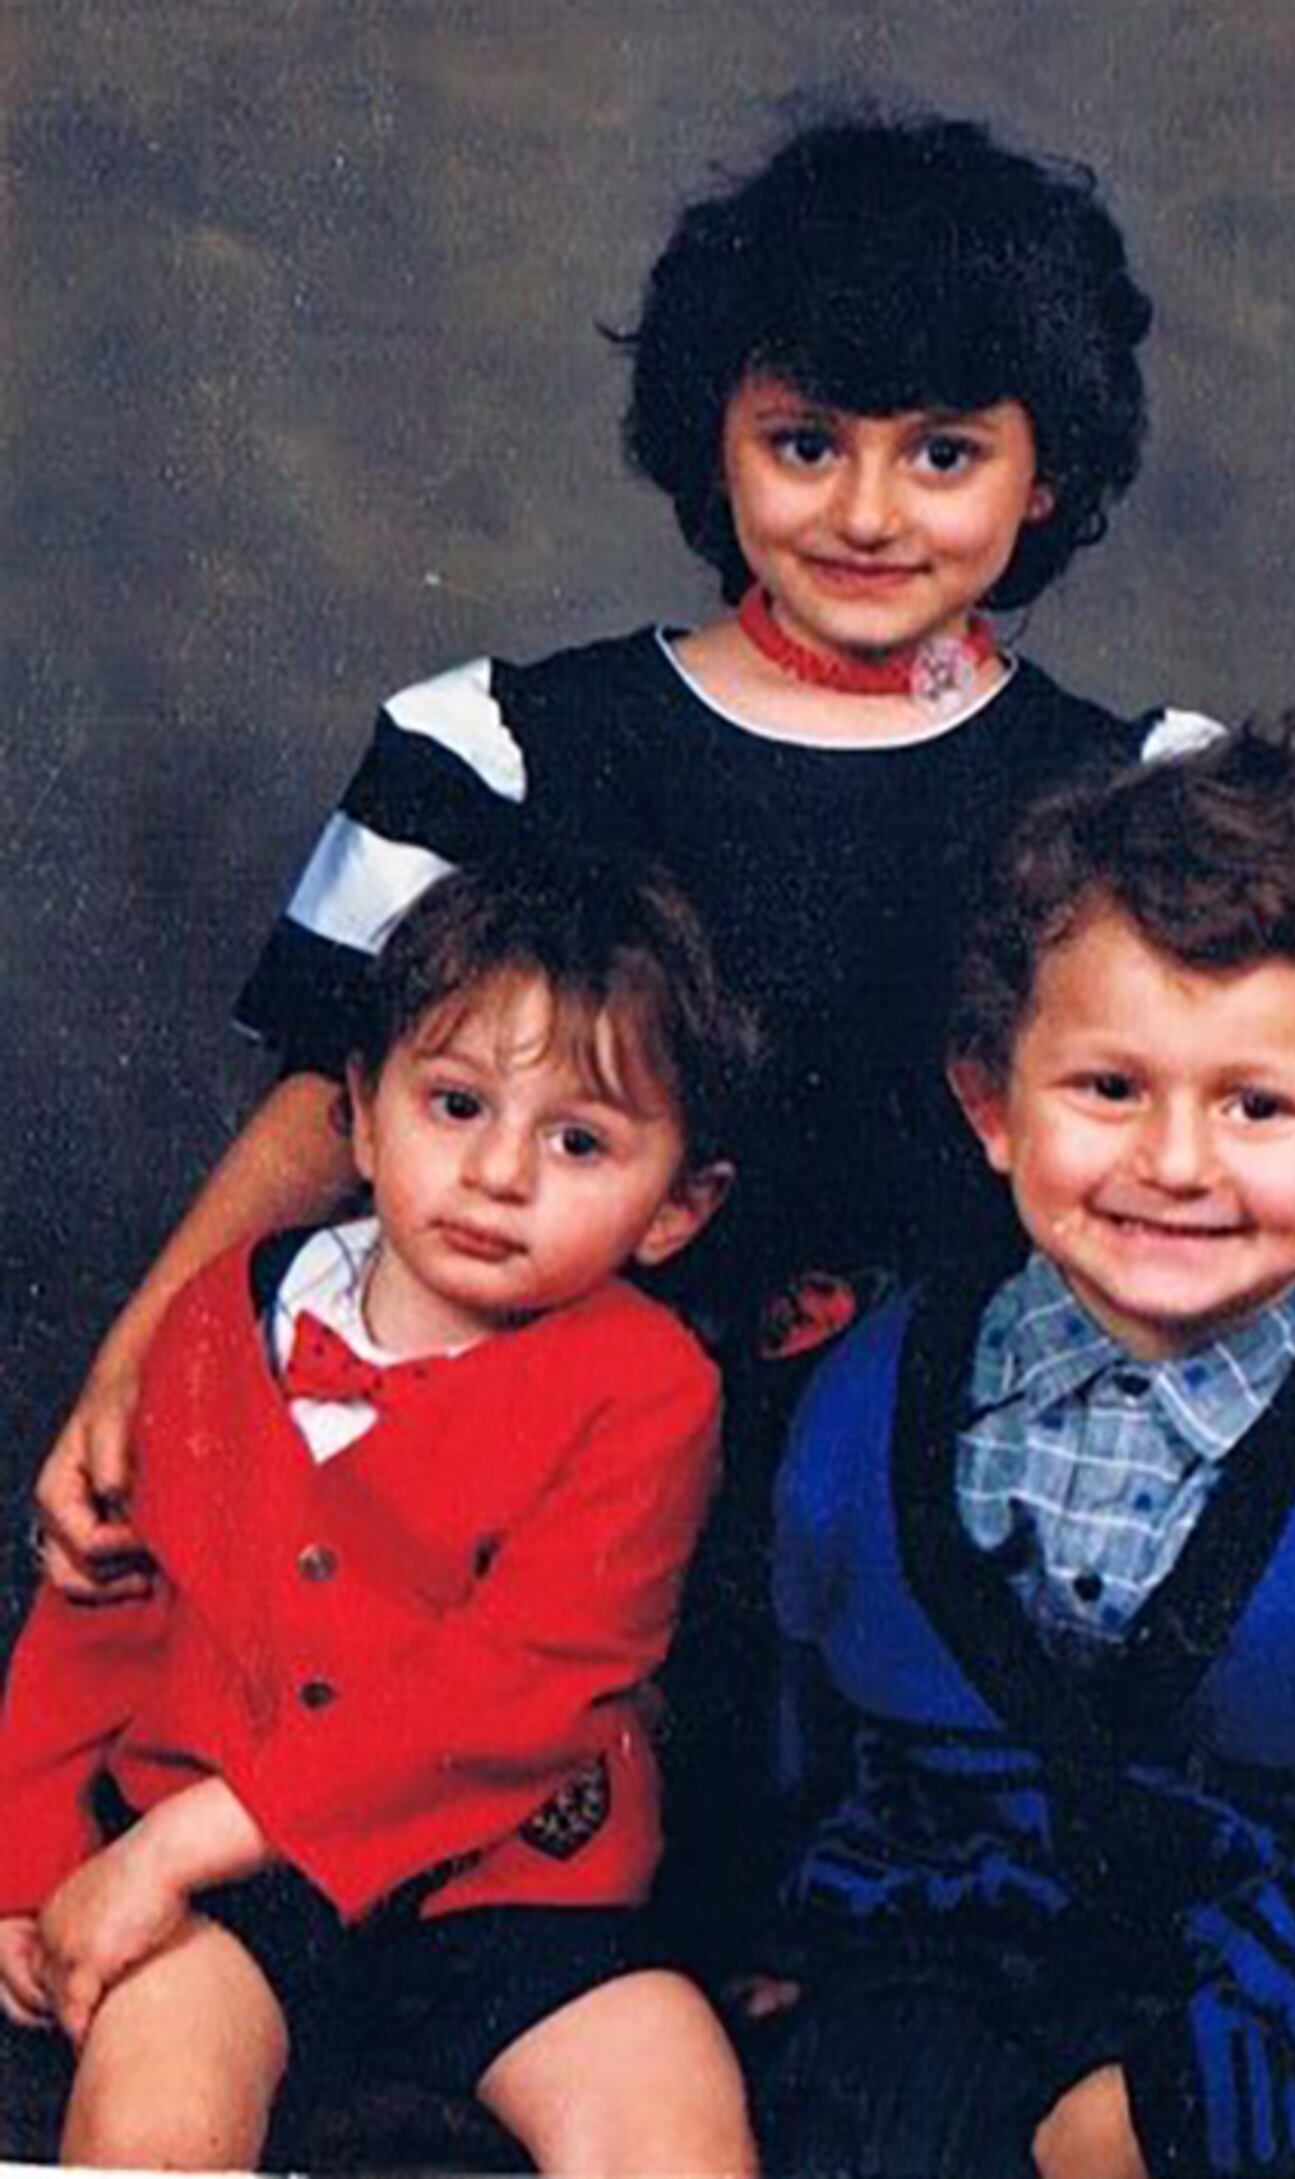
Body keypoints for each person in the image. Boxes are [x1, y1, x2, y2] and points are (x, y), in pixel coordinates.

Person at [30, 111, 1201, 1953]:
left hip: (942, 1515)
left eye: (946, 454)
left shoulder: (1128, 795)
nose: (871, 512)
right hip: (515, 1508)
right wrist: (129, 1364)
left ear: (1045, 480)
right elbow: (331, 1112)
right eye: (805, 445)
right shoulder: (508, 749)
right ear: (711, 443)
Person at [750, 716, 1295, 2179]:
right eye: (1109, 1089)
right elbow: (784, 1712)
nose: (1176, 1162)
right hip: (911, 1998)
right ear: (992, 1106)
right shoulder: (875, 1390)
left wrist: (1186, 2101)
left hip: (1264, 2037)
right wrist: (760, 1934)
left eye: (1257, 1106)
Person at [0, 856, 760, 2173]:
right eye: (455, 1105)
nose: (500, 1173)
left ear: (678, 1209)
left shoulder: (650, 1387)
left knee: (669, 2106)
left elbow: (519, 1687)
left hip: (519, 1894)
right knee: (151, 2083)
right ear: (359, 1113)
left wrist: (184, 1841)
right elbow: (104, 1610)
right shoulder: (219, 1313)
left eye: (579, 1141)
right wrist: (27, 1867)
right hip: (224, 1902)